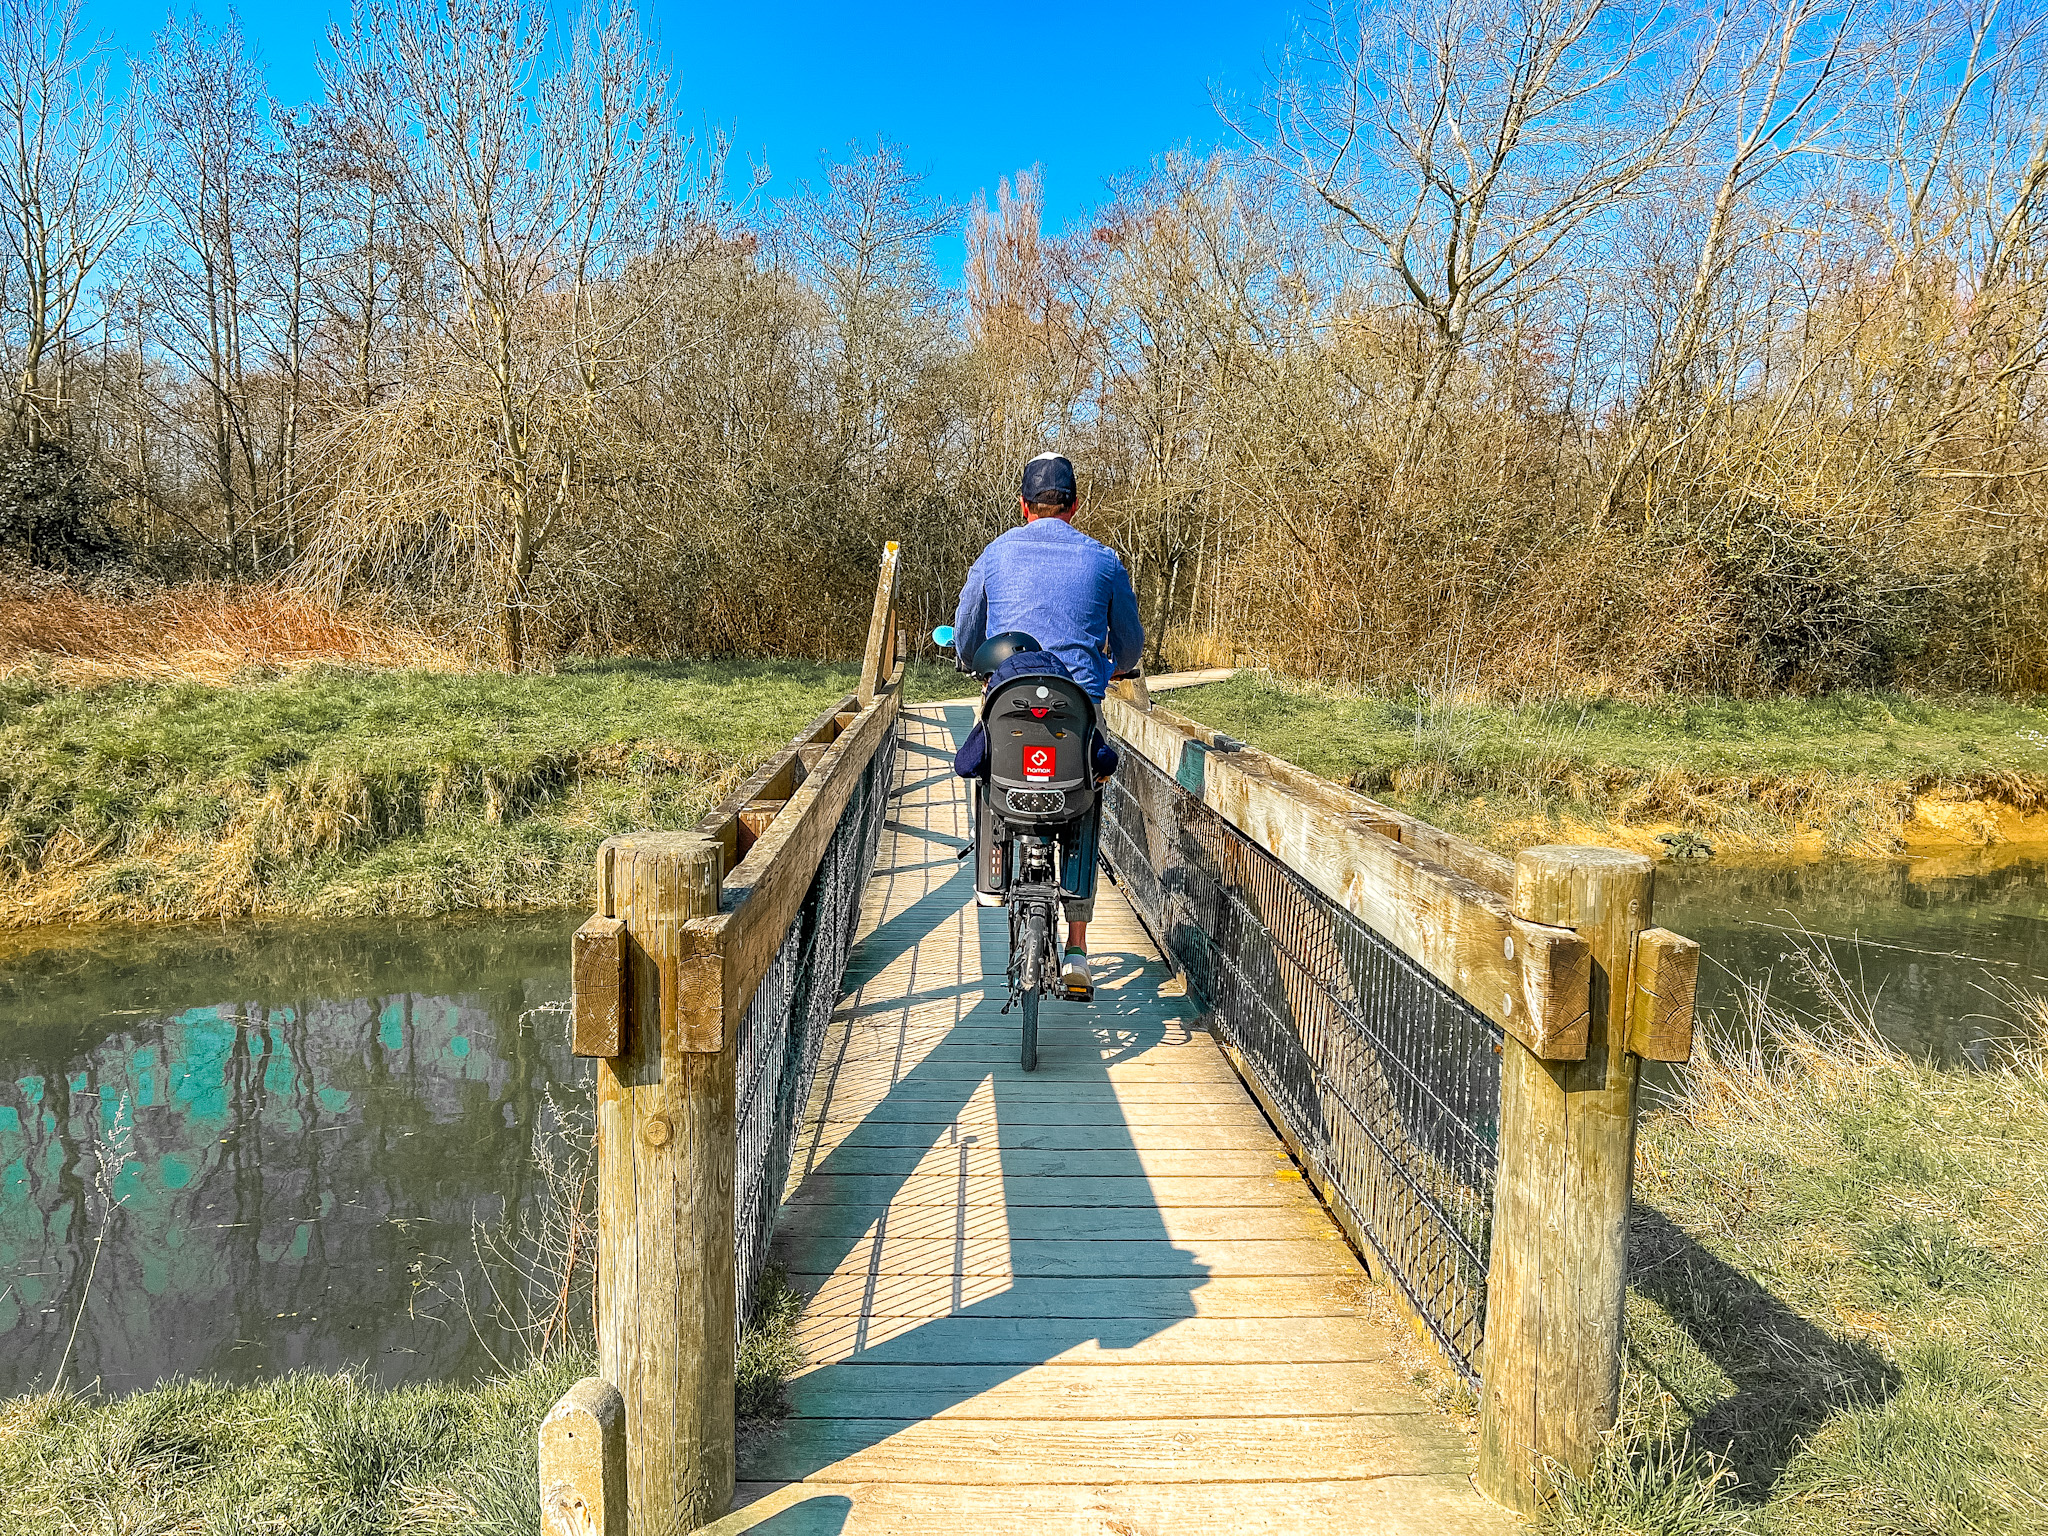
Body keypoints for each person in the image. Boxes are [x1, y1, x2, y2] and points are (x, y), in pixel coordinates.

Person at [952, 452, 1144, 996]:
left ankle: (993, 873)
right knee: (1085, 796)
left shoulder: (995, 554)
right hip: (1075, 709)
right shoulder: (1104, 561)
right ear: (1075, 506)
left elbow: (967, 634)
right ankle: (1078, 952)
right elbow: (1129, 644)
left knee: (992, 769)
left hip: (1009, 702)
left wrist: (971, 660)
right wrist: (1116, 666)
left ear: (1024, 505)